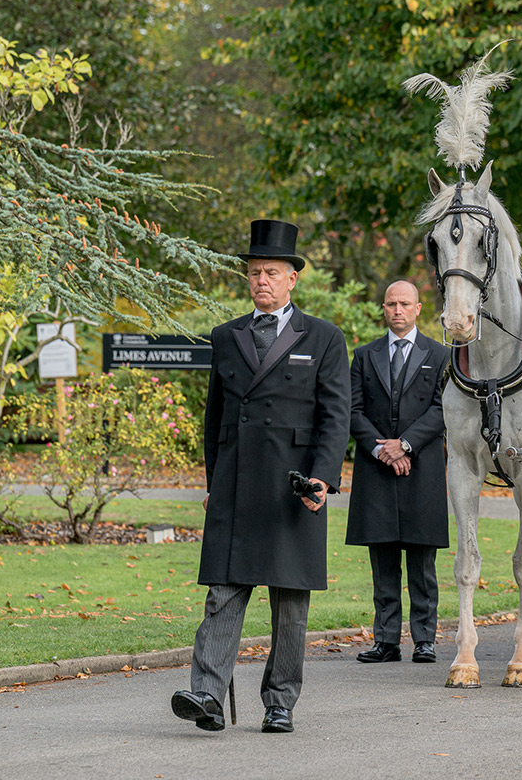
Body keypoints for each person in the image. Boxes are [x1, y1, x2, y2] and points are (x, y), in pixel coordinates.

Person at [171, 219, 351, 733]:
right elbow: (215, 420)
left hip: (294, 489)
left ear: (293, 278)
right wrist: (213, 484)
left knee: (290, 605)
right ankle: (207, 695)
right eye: (254, 273)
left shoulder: (324, 337)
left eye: (271, 272)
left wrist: (322, 479)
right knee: (222, 594)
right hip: (235, 485)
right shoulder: (226, 336)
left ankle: (280, 701)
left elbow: (335, 417)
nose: (261, 281)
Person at [346, 280, 449, 664]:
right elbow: (352, 410)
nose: (397, 310)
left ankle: (424, 640)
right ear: (384, 308)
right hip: (377, 469)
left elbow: (442, 408)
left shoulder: (440, 355)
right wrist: (382, 450)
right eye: (391, 304)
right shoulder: (364, 355)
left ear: (418, 308)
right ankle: (386, 641)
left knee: (422, 564)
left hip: (421, 468)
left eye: (405, 304)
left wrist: (404, 445)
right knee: (383, 560)